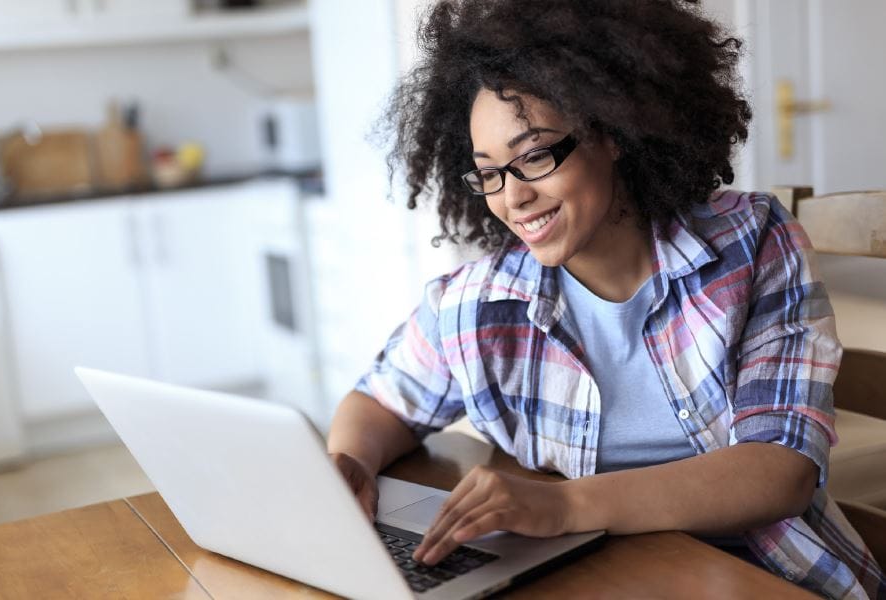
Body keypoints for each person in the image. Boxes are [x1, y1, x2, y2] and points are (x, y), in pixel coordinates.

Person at [326, 1, 886, 598]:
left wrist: (563, 506)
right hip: (595, 578)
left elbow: (780, 472)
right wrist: (349, 467)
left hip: (765, 576)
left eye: (535, 154)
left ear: (611, 131)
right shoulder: (478, 303)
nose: (512, 197)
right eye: (489, 171)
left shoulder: (751, 245)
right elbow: (379, 402)